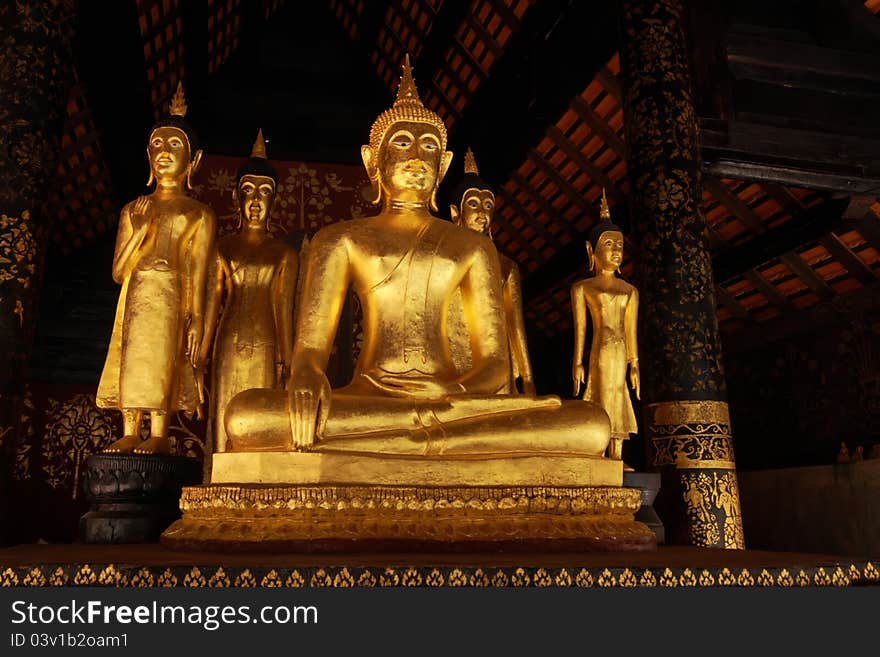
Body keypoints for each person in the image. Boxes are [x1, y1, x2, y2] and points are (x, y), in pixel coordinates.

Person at [224, 56, 610, 457]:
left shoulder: (474, 247)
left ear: (442, 165)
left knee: (591, 424)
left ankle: (401, 443)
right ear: (372, 160)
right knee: (246, 415)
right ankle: (421, 442)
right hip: (368, 400)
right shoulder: (340, 240)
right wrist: (306, 377)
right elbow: (309, 350)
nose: (416, 157)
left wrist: (453, 391)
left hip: (450, 402)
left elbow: (495, 363)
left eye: (429, 146)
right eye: (402, 142)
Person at [97, 84, 216, 454]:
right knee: (133, 354)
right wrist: (140, 232)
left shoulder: (198, 213)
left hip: (172, 293)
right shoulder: (133, 210)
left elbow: (199, 269)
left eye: (175, 145)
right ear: (148, 156)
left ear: (193, 161)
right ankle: (131, 427)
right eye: (157, 145)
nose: (164, 152)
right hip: (137, 292)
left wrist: (197, 316)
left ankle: (160, 432)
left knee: (166, 355)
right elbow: (118, 271)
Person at [201, 130, 298, 455]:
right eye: (248, 190)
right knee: (225, 412)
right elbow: (212, 306)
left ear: (275, 199)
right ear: (235, 197)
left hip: (267, 342)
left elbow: (283, 310)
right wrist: (198, 357)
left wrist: (288, 362)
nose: (256, 200)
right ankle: (216, 475)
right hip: (229, 340)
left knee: (261, 413)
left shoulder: (283, 253)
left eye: (265, 191)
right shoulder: (223, 248)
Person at [448, 148, 535, 395]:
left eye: (488, 206)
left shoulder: (506, 265)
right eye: (473, 204)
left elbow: (515, 324)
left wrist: (528, 379)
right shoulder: (443, 259)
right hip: (454, 362)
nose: (482, 213)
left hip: (498, 366)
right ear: (456, 212)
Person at [571, 191, 640, 461]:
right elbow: (581, 330)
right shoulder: (584, 288)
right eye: (609, 244)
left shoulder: (630, 291)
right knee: (600, 393)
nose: (615, 251)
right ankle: (598, 451)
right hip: (599, 350)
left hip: (621, 352)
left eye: (620, 246)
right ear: (592, 250)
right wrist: (577, 362)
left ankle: (618, 455)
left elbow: (630, 329)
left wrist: (635, 363)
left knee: (619, 394)